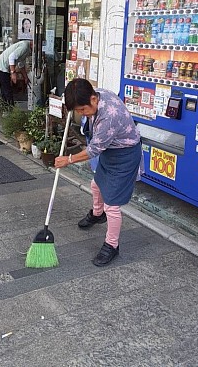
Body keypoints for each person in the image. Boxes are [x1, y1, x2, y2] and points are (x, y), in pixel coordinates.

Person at [55, 79, 143, 267]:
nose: (81, 114)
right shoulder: (97, 94)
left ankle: (112, 245)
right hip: (111, 151)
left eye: (82, 110)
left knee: (112, 204)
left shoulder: (109, 117)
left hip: (125, 155)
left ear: (94, 99)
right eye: (77, 111)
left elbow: (93, 150)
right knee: (96, 184)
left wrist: (68, 160)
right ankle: (97, 214)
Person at [0, 40, 32, 105]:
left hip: (3, 66)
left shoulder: (27, 48)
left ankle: (6, 108)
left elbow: (21, 63)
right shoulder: (25, 46)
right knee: (7, 90)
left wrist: (25, 77)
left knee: (6, 89)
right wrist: (13, 73)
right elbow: (11, 57)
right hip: (1, 66)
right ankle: (9, 109)